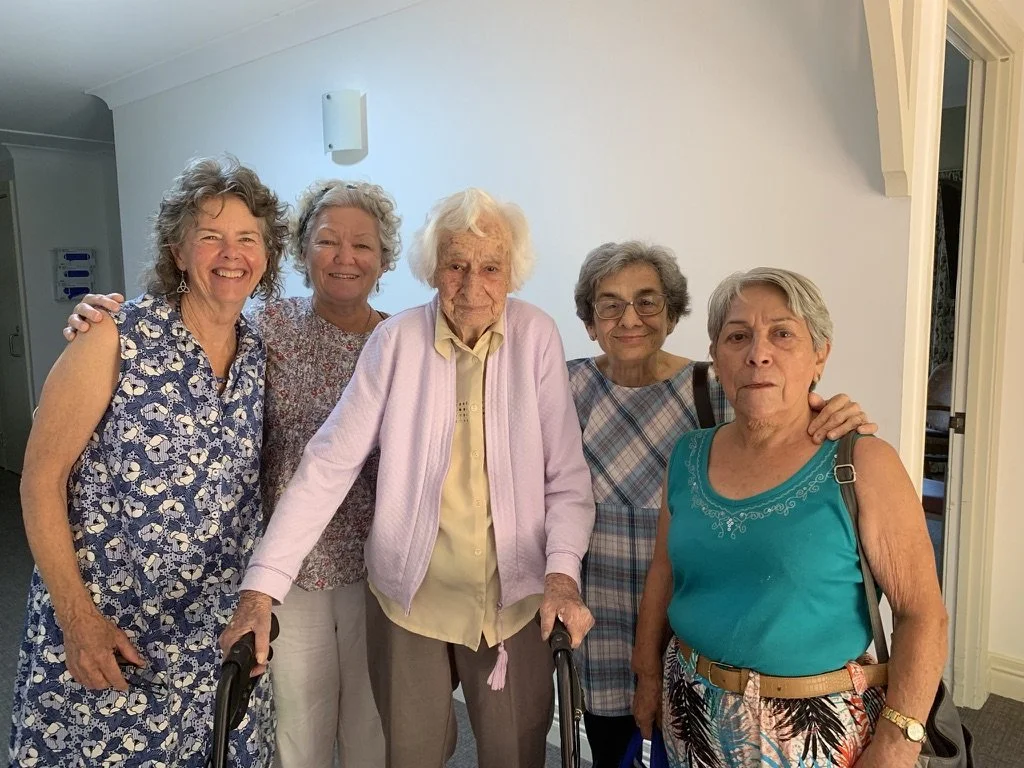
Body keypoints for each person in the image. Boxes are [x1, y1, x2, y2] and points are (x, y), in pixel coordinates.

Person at [220, 188, 596, 768]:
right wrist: (260, 588)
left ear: (512, 273)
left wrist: (562, 575)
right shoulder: (395, 342)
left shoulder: (536, 337)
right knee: (411, 753)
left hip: (515, 598)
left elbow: (566, 479)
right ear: (431, 269)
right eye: (455, 265)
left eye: (490, 267)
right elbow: (328, 464)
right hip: (409, 599)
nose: (472, 286)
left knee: (514, 752)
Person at [62, 179, 401, 768]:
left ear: (384, 258)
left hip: (378, 566)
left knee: (374, 725)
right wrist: (88, 322)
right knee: (299, 728)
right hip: (282, 571)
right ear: (298, 251)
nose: (345, 258)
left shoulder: (404, 342)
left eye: (363, 246)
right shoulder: (267, 328)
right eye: (326, 241)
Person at [10, 156, 287, 767]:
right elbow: (39, 482)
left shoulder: (259, 352)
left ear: (266, 255)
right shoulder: (114, 335)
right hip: (113, 633)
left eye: (247, 238)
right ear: (178, 251)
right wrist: (76, 620)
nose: (230, 253)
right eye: (210, 236)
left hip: (218, 638)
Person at [568, 243, 875, 768]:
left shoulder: (713, 385)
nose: (629, 319)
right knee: (610, 750)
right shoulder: (565, 386)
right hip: (598, 614)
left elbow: (784, 413)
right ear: (590, 321)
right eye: (609, 304)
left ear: (671, 314)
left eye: (647, 302)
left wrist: (840, 412)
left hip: (683, 619)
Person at [632, 267, 948, 767]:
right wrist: (647, 674)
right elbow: (664, 573)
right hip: (688, 710)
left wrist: (898, 740)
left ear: (819, 355)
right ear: (716, 357)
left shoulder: (862, 461)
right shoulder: (687, 454)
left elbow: (922, 613)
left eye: (783, 333)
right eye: (738, 336)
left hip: (815, 734)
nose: (758, 352)